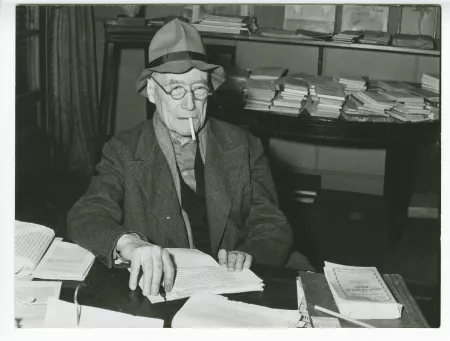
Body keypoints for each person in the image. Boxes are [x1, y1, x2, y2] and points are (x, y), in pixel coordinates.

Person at [67, 19, 293, 299]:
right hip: (161, 291)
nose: (190, 104)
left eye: (198, 89)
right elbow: (87, 214)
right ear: (152, 92)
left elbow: (272, 223)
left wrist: (249, 255)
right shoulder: (123, 150)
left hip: (235, 286)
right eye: (176, 89)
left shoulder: (244, 145)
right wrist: (129, 243)